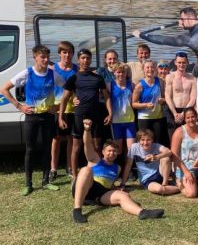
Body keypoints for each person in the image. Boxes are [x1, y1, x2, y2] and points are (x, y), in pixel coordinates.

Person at [71, 119, 164, 224]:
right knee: (86, 170)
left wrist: (118, 188)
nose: (112, 153)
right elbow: (87, 144)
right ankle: (77, 210)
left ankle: (142, 212)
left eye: (114, 151)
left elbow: (109, 184)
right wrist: (87, 130)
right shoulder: (95, 159)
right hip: (87, 186)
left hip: (100, 194)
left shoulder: (117, 168)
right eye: (109, 151)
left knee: (122, 195)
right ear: (103, 152)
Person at [0, 45, 59, 195]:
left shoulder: (53, 73)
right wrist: (19, 106)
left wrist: (57, 106)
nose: (45, 60)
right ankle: (28, 183)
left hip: (48, 116)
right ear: (35, 58)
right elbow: (4, 89)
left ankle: (46, 181)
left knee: (46, 148)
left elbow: (67, 88)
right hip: (32, 116)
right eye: (42, 57)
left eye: (47, 57)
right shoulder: (28, 73)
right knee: (30, 149)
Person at [58, 49, 112, 179]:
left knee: (97, 145)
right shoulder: (74, 78)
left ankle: (98, 174)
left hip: (95, 115)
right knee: (76, 146)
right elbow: (64, 99)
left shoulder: (98, 78)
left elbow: (106, 97)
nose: (85, 60)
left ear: (90, 60)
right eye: (83, 58)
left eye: (88, 58)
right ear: (78, 60)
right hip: (79, 115)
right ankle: (75, 175)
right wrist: (60, 117)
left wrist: (110, 113)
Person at [49, 41, 78, 181]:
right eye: (64, 52)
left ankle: (69, 167)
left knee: (71, 139)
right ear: (59, 54)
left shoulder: (77, 69)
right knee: (56, 139)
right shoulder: (52, 69)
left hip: (72, 109)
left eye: (70, 52)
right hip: (56, 108)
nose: (67, 55)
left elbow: (80, 88)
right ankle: (53, 168)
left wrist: (77, 98)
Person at [132, 7, 198, 54]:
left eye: (182, 19)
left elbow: (163, 40)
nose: (180, 22)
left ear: (190, 18)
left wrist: (142, 35)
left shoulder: (188, 38)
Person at [121, 129, 180, 195]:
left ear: (152, 140)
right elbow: (128, 165)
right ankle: (180, 188)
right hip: (147, 179)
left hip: (159, 173)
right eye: (142, 140)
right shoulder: (134, 147)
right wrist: (123, 184)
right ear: (138, 141)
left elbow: (169, 151)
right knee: (160, 189)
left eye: (148, 140)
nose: (145, 143)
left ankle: (165, 183)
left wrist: (156, 157)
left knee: (165, 158)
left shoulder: (156, 146)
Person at [132, 59, 169, 147]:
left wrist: (163, 100)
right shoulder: (139, 85)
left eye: (152, 67)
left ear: (155, 69)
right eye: (147, 67)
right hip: (144, 118)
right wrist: (145, 105)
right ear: (143, 69)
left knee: (158, 143)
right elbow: (133, 104)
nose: (150, 69)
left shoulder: (160, 82)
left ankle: (158, 156)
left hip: (158, 118)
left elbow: (166, 98)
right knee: (145, 143)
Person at [170, 108, 198, 198]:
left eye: (193, 117)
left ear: (196, 117)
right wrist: (186, 172)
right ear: (184, 119)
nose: (191, 119)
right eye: (188, 118)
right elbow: (174, 155)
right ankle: (178, 183)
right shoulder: (179, 132)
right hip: (185, 167)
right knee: (191, 194)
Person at [108, 62, 136, 156]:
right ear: (114, 73)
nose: (121, 74)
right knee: (118, 150)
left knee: (131, 149)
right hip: (116, 121)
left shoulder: (131, 85)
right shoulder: (110, 85)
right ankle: (118, 165)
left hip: (130, 120)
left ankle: (129, 166)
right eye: (118, 72)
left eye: (123, 72)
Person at [165, 51, 197, 127]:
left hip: (186, 111)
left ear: (187, 63)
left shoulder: (192, 78)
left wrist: (183, 113)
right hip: (173, 110)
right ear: (175, 63)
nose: (181, 65)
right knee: (172, 134)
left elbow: (193, 98)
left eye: (183, 62)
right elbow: (167, 96)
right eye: (179, 62)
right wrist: (175, 113)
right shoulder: (170, 77)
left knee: (186, 133)